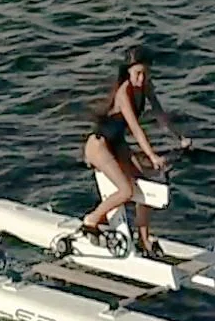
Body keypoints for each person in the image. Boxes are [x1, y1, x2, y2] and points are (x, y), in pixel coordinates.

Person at [75, 47, 177, 255]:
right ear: (128, 72)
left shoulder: (146, 87)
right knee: (127, 191)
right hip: (99, 146)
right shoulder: (124, 93)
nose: (142, 78)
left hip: (117, 143)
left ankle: (144, 239)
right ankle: (91, 220)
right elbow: (136, 129)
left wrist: (180, 138)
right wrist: (152, 156)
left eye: (146, 73)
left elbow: (161, 116)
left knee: (144, 188)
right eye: (138, 73)